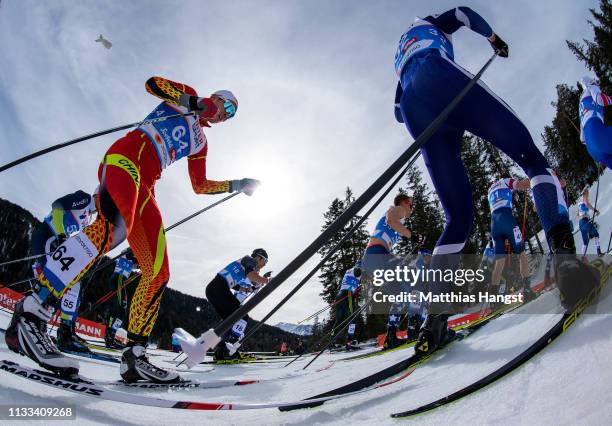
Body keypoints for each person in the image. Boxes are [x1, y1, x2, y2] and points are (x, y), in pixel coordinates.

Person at [6, 77, 259, 382]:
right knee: (112, 229)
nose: (224, 115)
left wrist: (237, 184)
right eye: (226, 106)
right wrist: (192, 103)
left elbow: (199, 185)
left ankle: (135, 356)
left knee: (158, 271)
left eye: (230, 115)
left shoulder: (201, 142)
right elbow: (153, 84)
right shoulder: (188, 98)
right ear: (216, 97)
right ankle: (32, 312)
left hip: (146, 186)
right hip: (126, 160)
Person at [392, 7, 599, 355]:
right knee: (531, 159)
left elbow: (398, 111)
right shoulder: (426, 24)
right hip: (438, 74)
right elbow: (460, 13)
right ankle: (568, 269)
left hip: (414, 105)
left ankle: (435, 323)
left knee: (457, 219)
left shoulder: (399, 54)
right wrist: (493, 39)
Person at [28, 190, 97, 354]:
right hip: (48, 237)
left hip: (55, 241)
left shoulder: (90, 217)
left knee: (70, 284)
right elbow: (58, 205)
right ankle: (60, 334)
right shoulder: (85, 199)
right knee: (66, 283)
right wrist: (60, 235)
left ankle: (63, 331)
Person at [205, 249, 271, 361]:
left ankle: (220, 351)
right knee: (242, 317)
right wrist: (267, 281)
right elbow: (251, 275)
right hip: (219, 289)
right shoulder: (251, 260)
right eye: (265, 261)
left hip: (213, 289)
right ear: (259, 257)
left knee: (228, 323)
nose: (264, 265)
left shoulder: (244, 262)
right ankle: (229, 350)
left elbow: (233, 282)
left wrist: (245, 288)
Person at [487, 177, 536, 302]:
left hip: (494, 224)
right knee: (522, 253)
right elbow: (519, 185)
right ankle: (527, 290)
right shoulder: (505, 181)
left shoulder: (490, 189)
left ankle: (494, 300)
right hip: (506, 219)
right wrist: (527, 184)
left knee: (499, 262)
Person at [104, 249, 139, 349]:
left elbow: (135, 265)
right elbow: (127, 254)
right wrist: (138, 261)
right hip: (118, 279)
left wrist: (140, 266)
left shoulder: (135, 255)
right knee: (119, 310)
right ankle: (109, 336)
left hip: (120, 280)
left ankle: (110, 335)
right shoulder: (130, 249)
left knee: (120, 311)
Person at [578, 76, 612, 168]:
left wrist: (596, 146)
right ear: (591, 82)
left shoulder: (581, 103)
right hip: (599, 137)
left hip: (593, 152)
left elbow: (582, 139)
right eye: (596, 82)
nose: (598, 85)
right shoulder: (591, 87)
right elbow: (600, 100)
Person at [332, 261, 362, 346]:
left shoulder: (348, 270)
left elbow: (351, 282)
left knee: (340, 319)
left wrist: (357, 287)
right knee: (352, 318)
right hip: (347, 295)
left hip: (340, 295)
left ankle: (332, 341)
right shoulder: (357, 269)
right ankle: (350, 339)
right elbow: (357, 271)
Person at [577, 186, 603, 257]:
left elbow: (578, 215)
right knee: (596, 234)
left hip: (581, 224)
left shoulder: (579, 202)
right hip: (585, 222)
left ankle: (583, 258)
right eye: (587, 192)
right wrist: (595, 210)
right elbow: (587, 204)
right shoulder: (584, 199)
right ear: (584, 193)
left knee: (585, 242)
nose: (588, 194)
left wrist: (586, 216)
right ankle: (599, 252)